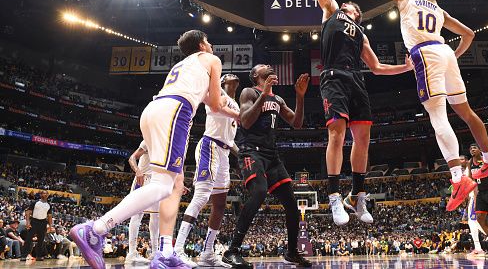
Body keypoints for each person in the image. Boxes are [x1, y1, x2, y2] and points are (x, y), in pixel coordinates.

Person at [327, 0, 488, 211]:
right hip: (445, 53)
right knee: (465, 112)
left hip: (426, 53)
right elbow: (469, 34)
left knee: (438, 116)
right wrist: (453, 55)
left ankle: (457, 178)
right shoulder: (440, 11)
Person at [70, 30, 231, 269]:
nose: (211, 45)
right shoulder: (211, 60)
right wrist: (236, 111)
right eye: (208, 41)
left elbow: (206, 98)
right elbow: (216, 104)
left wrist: (231, 110)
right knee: (162, 185)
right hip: (176, 112)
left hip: (157, 109)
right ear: (201, 45)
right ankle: (95, 229)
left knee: (175, 185)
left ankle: (165, 252)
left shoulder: (183, 65)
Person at [308, 0, 413, 226]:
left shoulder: (361, 34)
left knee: (363, 138)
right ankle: (333, 195)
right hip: (333, 77)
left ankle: (357, 195)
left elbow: (377, 67)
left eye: (350, 6)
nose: (345, 5)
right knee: (336, 133)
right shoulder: (332, 12)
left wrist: (406, 68)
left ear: (357, 14)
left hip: (356, 80)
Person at [222, 65, 311, 268]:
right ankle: (231, 251)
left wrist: (300, 96)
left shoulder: (278, 99)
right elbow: (245, 121)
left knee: (291, 202)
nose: (269, 66)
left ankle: (291, 252)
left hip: (271, 155)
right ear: (255, 75)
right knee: (259, 192)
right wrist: (263, 94)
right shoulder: (249, 92)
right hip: (250, 150)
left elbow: (296, 123)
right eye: (263, 66)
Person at [174, 73, 241, 268]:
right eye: (227, 75)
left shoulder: (235, 105)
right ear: (221, 83)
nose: (233, 75)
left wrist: (242, 154)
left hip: (225, 152)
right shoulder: (216, 96)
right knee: (201, 196)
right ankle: (178, 249)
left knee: (220, 203)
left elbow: (230, 140)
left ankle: (208, 253)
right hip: (210, 146)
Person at [124, 140, 159, 264]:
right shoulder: (149, 139)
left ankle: (155, 252)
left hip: (157, 182)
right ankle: (132, 253)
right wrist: (137, 170)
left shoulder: (166, 142)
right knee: (137, 216)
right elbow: (132, 158)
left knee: (156, 217)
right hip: (142, 179)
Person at [460, 154, 485, 257]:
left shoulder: (469, 170)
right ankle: (478, 247)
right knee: (472, 223)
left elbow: (474, 185)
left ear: (466, 160)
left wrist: (474, 199)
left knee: (475, 222)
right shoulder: (463, 172)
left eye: (461, 159)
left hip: (475, 197)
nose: (460, 161)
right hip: (471, 198)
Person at [22, 190, 52, 261]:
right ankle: (24, 256)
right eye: (43, 193)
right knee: (28, 239)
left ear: (48, 195)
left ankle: (38, 256)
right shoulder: (35, 202)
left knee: (41, 241)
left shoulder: (49, 205)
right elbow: (28, 212)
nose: (44, 194)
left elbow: (50, 216)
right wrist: (28, 222)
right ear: (41, 195)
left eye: (46, 193)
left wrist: (50, 226)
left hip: (43, 223)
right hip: (34, 221)